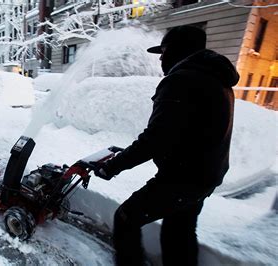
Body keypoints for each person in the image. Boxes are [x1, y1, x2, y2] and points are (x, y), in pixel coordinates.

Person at [93, 25, 239, 265]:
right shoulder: (216, 78)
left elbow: (157, 138)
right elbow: (186, 131)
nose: (160, 58)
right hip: (205, 174)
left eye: (163, 51)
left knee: (126, 217)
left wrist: (113, 167)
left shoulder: (181, 80)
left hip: (182, 178)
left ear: (176, 51)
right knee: (179, 229)